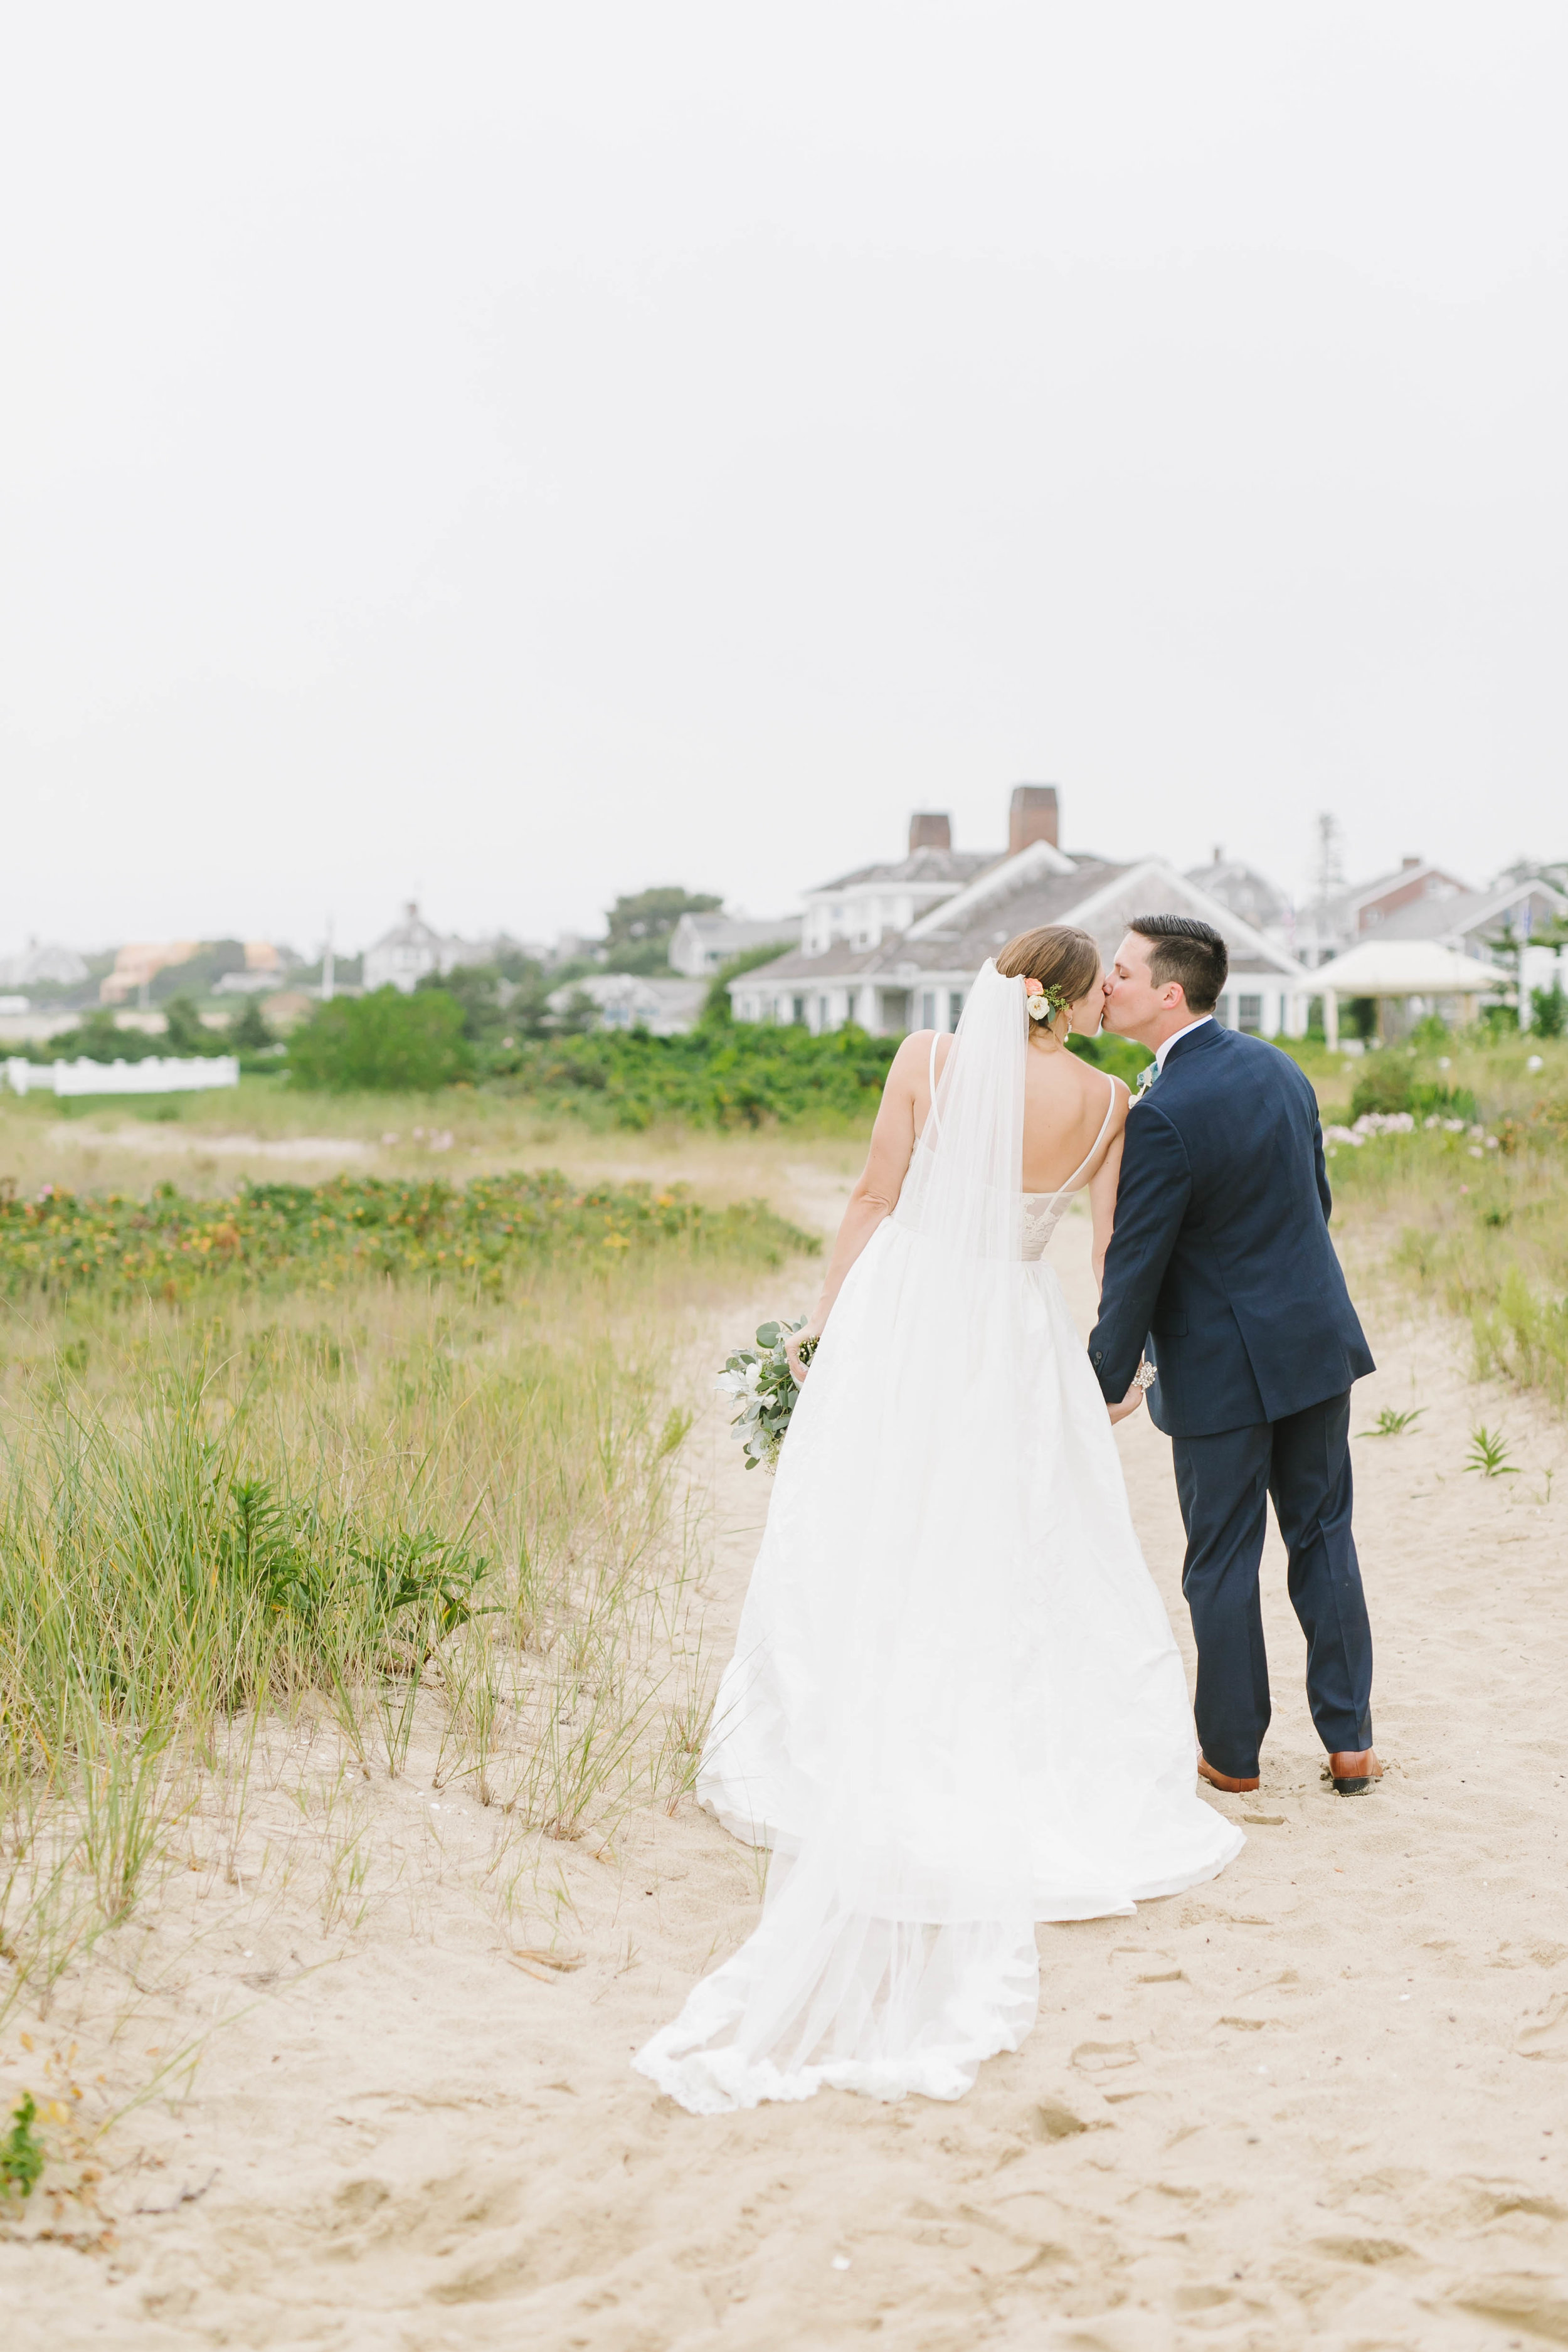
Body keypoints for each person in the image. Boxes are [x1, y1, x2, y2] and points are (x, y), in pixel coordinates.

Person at [633, 929, 1242, 2116]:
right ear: (1074, 1004)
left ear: (1002, 984)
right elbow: (1115, 1248)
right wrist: (1121, 1361)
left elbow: (873, 1195)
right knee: (1020, 1540)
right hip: (1016, 1329)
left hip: (908, 1313)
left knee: (872, 1520)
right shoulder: (1112, 1096)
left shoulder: (926, 1055)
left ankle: (854, 1716)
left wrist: (821, 1322)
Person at [1090, 916, 1379, 1798]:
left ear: (1168, 993)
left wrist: (1106, 1379)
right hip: (1315, 1343)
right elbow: (1315, 1201)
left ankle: (1233, 1757)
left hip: (1221, 1366)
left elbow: (1136, 1264)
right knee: (1324, 1536)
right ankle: (1351, 1742)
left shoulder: (1164, 1112)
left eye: (1123, 972)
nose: (1107, 983)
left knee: (1220, 1557)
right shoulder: (1283, 1070)